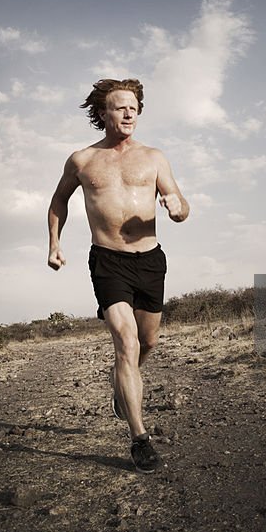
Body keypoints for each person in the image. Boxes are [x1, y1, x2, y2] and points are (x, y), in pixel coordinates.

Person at [47, 78, 189, 473]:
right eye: (120, 107)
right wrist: (54, 243)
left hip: (150, 260)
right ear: (103, 114)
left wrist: (177, 207)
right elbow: (59, 200)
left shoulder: (155, 157)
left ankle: (122, 388)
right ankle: (140, 438)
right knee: (125, 343)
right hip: (108, 261)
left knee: (148, 342)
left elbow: (181, 204)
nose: (129, 113)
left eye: (134, 108)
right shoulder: (82, 160)